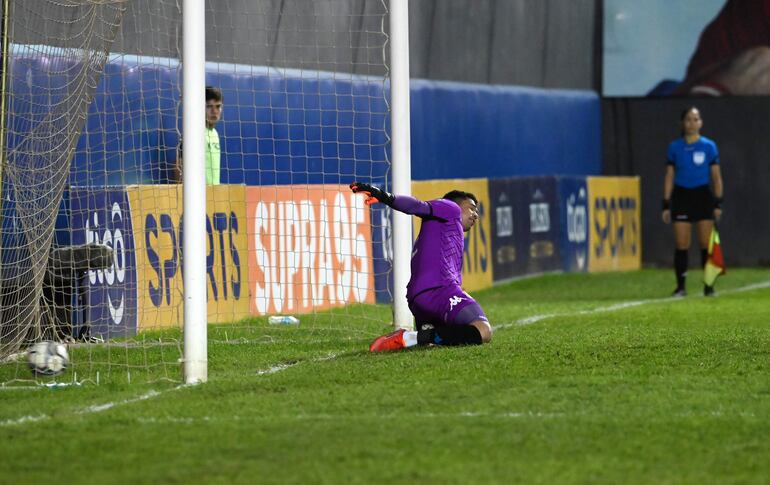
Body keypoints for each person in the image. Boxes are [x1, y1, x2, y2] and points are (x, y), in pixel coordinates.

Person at [349, 182, 493, 352]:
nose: (476, 214)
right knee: (483, 330)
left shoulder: (440, 231)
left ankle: (422, 335)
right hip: (439, 292)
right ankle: (408, 337)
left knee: (439, 340)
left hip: (418, 300)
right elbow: (418, 206)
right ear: (457, 204)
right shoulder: (450, 208)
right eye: (471, 208)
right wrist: (383, 196)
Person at [661, 107, 724, 297]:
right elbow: (669, 176)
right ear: (683, 123)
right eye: (688, 119)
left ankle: (709, 286)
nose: (692, 123)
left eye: (696, 119)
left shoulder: (709, 146)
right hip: (681, 197)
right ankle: (681, 287)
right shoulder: (674, 147)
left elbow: (716, 177)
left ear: (701, 123)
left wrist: (718, 202)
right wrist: (666, 204)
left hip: (702, 196)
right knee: (682, 243)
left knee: (706, 243)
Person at [173, 86, 223, 184]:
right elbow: (177, 166)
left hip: (214, 195)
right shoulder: (194, 132)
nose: (214, 111)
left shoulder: (215, 133)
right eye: (209, 106)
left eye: (217, 106)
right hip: (197, 196)